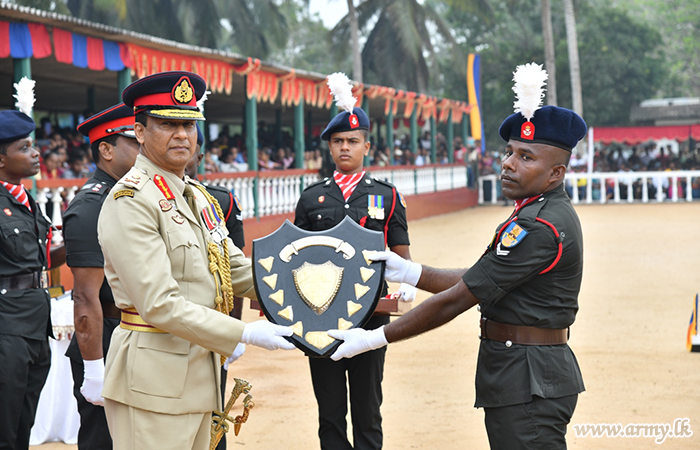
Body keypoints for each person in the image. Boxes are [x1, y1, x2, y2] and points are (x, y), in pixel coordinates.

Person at [330, 65, 588, 449]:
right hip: (524, 371)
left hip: (528, 377)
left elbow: (461, 297)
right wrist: (412, 271)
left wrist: (373, 339)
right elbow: (484, 277)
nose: (508, 163)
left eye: (525, 157)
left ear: (555, 173)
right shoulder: (539, 212)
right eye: (509, 152)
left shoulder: (538, 226)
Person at [96, 71, 294, 450]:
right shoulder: (132, 201)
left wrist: (304, 282)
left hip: (200, 374)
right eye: (167, 124)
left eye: (189, 124)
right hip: (153, 382)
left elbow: (234, 268)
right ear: (139, 131)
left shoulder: (199, 196)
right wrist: (245, 332)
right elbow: (159, 304)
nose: (182, 135)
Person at [294, 75, 415, 450]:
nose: (345, 147)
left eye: (352, 141)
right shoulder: (311, 198)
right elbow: (294, 257)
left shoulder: (386, 195)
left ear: (366, 145)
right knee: (329, 411)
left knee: (367, 406)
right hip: (320, 318)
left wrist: (407, 283)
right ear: (329, 147)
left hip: (369, 317)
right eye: (338, 141)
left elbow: (401, 251)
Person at [63, 103, 141, 450]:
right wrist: (95, 368)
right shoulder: (91, 206)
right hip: (107, 338)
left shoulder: (133, 197)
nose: (144, 147)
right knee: (105, 441)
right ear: (106, 150)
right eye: (134, 142)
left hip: (139, 334)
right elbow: (85, 297)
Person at [0, 109, 66, 449]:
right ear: (1, 159)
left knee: (23, 424)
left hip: (36, 325)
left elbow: (38, 264)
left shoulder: (24, 201)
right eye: (24, 148)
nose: (36, 153)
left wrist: (80, 242)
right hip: (7, 327)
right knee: (5, 427)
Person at [185, 127, 246, 450]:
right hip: (167, 327)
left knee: (213, 411)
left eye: (190, 145)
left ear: (200, 156)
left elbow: (232, 272)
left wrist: (231, 331)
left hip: (211, 324)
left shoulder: (219, 201)